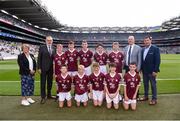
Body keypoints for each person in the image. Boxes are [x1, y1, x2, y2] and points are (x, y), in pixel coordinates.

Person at [141, 36, 161, 105]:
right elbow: (143, 60)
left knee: (153, 85)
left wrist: (155, 70)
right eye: (145, 40)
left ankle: (154, 99)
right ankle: (146, 96)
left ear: (150, 41)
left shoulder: (155, 48)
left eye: (147, 40)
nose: (146, 42)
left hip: (152, 71)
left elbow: (158, 60)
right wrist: (141, 69)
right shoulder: (143, 49)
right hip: (144, 71)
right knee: (145, 84)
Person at [37, 36, 56, 104]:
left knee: (50, 82)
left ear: (52, 41)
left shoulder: (54, 48)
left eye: (50, 40)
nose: (49, 41)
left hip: (51, 69)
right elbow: (39, 58)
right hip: (43, 68)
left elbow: (55, 58)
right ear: (46, 41)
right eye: (48, 40)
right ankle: (43, 97)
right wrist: (39, 68)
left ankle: (49, 95)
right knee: (43, 83)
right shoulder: (42, 47)